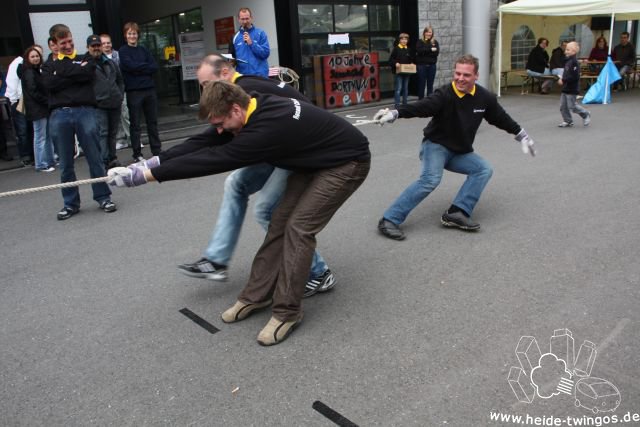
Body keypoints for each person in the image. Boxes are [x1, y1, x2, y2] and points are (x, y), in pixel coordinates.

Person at [108, 81, 370, 346]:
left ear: (235, 109)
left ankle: (287, 312)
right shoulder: (251, 103)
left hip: (347, 163)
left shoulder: (266, 130)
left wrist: (145, 177)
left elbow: (212, 160)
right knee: (279, 222)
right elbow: (203, 141)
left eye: (221, 123)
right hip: (312, 161)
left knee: (299, 228)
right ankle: (256, 296)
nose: (219, 130)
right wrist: (149, 163)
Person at [171, 54, 335, 297]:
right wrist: (156, 163)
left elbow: (221, 151)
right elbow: (211, 138)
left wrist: (153, 171)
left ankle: (319, 273)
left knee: (266, 210)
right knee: (236, 183)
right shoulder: (238, 89)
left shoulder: (243, 89)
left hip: (296, 150)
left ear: (225, 73)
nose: (203, 91)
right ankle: (216, 259)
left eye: (206, 84)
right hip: (276, 147)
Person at [374, 54, 536, 241]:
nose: (460, 78)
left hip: (459, 150)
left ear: (476, 76)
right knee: (430, 180)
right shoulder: (444, 94)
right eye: (457, 73)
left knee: (483, 169)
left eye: (466, 75)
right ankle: (389, 219)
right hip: (435, 146)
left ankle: (457, 212)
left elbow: (501, 118)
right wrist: (395, 113)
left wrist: (521, 135)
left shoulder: (484, 98)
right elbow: (421, 107)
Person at [41, 23, 117, 220]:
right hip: (60, 114)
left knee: (95, 157)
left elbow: (87, 73)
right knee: (66, 163)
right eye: (63, 42)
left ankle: (103, 196)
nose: (67, 45)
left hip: (86, 111)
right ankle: (70, 203)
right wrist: (74, 74)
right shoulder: (49, 64)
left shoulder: (85, 58)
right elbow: (49, 84)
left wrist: (63, 74)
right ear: (54, 44)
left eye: (70, 41)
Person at [119, 21, 161, 162]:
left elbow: (154, 66)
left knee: (152, 122)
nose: (132, 36)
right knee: (135, 124)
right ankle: (137, 153)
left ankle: (157, 150)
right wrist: (144, 68)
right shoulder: (123, 51)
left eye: (134, 33)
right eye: (130, 33)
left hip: (149, 90)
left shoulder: (144, 50)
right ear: (126, 35)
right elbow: (129, 66)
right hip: (134, 92)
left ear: (138, 35)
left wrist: (138, 68)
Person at [86, 34, 123, 169]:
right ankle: (103, 160)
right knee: (103, 133)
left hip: (114, 102)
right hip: (99, 105)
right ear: (88, 47)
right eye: (93, 46)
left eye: (98, 45)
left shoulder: (110, 62)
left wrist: (120, 95)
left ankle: (112, 158)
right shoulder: (86, 64)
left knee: (113, 133)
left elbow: (119, 80)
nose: (96, 48)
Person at [21, 45, 55, 172]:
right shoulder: (29, 72)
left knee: (47, 135)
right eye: (32, 56)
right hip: (37, 109)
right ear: (27, 58)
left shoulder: (36, 70)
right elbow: (33, 91)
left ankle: (50, 160)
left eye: (37, 56)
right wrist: (47, 101)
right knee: (40, 137)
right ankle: (41, 164)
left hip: (42, 108)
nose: (35, 58)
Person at [100, 33, 131, 151]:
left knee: (126, 115)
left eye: (108, 42)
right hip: (107, 95)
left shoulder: (118, 55)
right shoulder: (99, 58)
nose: (106, 45)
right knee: (115, 120)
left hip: (120, 91)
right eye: (103, 43)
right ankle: (120, 140)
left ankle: (131, 139)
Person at [6, 54, 34, 166]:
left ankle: (32, 154)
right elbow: (12, 83)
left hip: (28, 100)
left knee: (30, 128)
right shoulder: (18, 63)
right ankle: (25, 155)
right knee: (22, 129)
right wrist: (14, 100)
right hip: (19, 100)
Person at [557, 42, 591, 128]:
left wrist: (563, 80)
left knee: (572, 106)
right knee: (563, 106)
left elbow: (574, 77)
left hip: (572, 88)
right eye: (566, 49)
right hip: (565, 87)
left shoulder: (574, 62)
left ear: (574, 51)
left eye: (568, 50)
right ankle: (568, 121)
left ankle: (586, 114)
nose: (566, 51)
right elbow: (564, 65)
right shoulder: (568, 60)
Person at [229, 7, 270, 77]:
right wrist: (231, 62)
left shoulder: (260, 33)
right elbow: (232, 57)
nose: (245, 21)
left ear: (251, 18)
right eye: (242, 19)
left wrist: (252, 43)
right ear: (238, 19)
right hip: (243, 77)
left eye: (247, 18)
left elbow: (265, 54)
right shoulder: (234, 37)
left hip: (260, 76)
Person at [415, 26, 439, 99]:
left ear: (432, 33)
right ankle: (420, 102)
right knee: (421, 85)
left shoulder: (435, 42)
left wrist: (425, 51)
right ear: (424, 33)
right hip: (422, 66)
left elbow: (436, 53)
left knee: (430, 85)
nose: (429, 33)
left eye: (430, 32)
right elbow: (419, 51)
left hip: (432, 66)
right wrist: (431, 49)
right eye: (427, 32)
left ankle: (429, 103)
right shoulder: (420, 42)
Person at [389, 33, 414, 106]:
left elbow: (410, 59)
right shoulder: (396, 49)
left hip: (406, 72)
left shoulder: (408, 49)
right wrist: (395, 63)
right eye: (402, 39)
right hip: (398, 72)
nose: (404, 41)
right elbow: (390, 60)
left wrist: (412, 63)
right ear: (399, 40)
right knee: (398, 88)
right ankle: (397, 104)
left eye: (406, 39)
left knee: (405, 88)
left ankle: (405, 104)